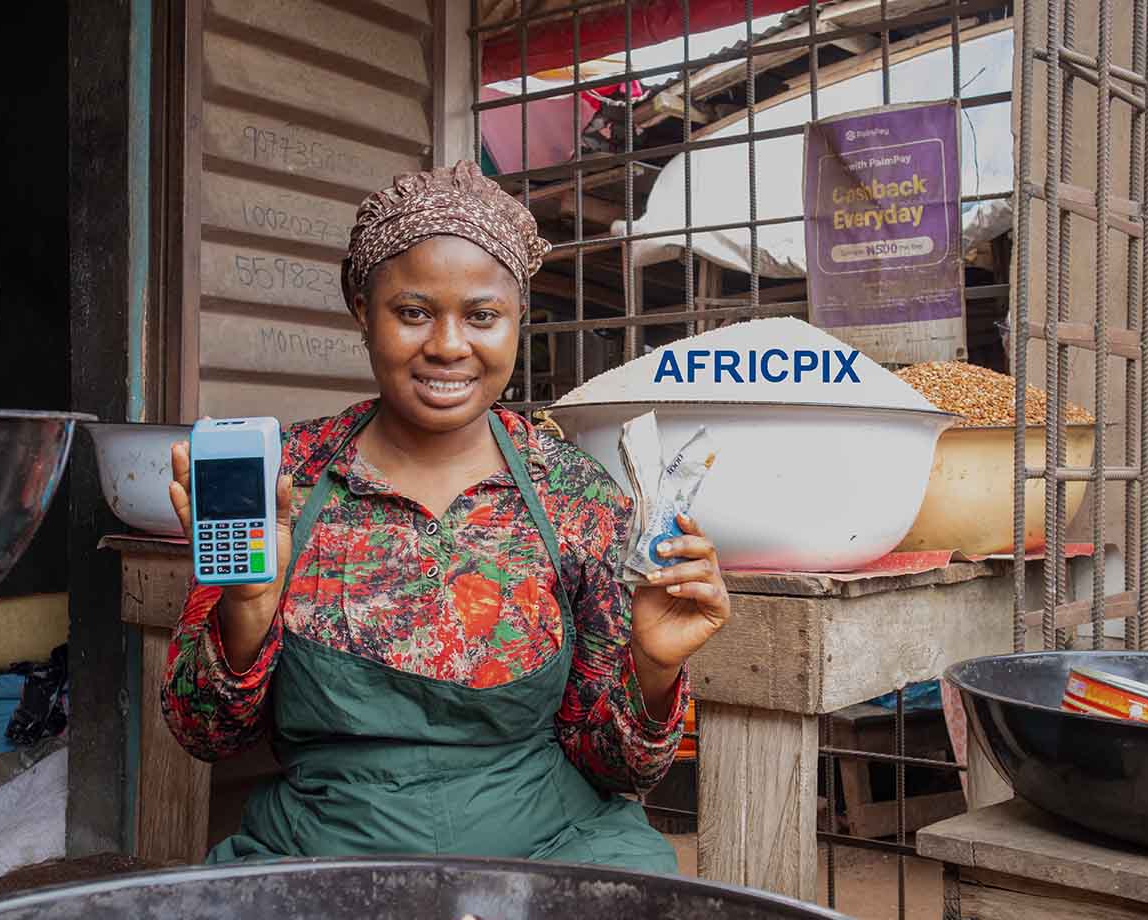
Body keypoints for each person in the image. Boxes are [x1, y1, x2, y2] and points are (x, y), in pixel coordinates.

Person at [161, 160, 730, 872]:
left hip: (549, 849)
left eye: (482, 315)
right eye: (413, 312)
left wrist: (650, 665)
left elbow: (621, 770)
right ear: (362, 311)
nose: (449, 345)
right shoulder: (283, 481)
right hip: (325, 856)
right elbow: (203, 733)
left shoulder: (574, 497)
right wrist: (245, 610)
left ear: (518, 319)